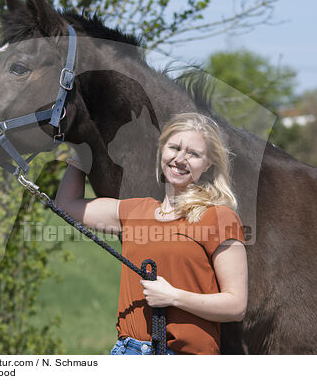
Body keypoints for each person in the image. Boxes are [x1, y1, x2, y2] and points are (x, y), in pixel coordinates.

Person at [55, 112, 248, 355]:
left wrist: (174, 297)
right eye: (174, 147)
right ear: (161, 150)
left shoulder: (219, 218)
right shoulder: (135, 210)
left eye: (194, 154)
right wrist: (81, 155)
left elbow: (236, 305)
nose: (180, 159)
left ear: (208, 164)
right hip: (127, 351)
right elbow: (67, 205)